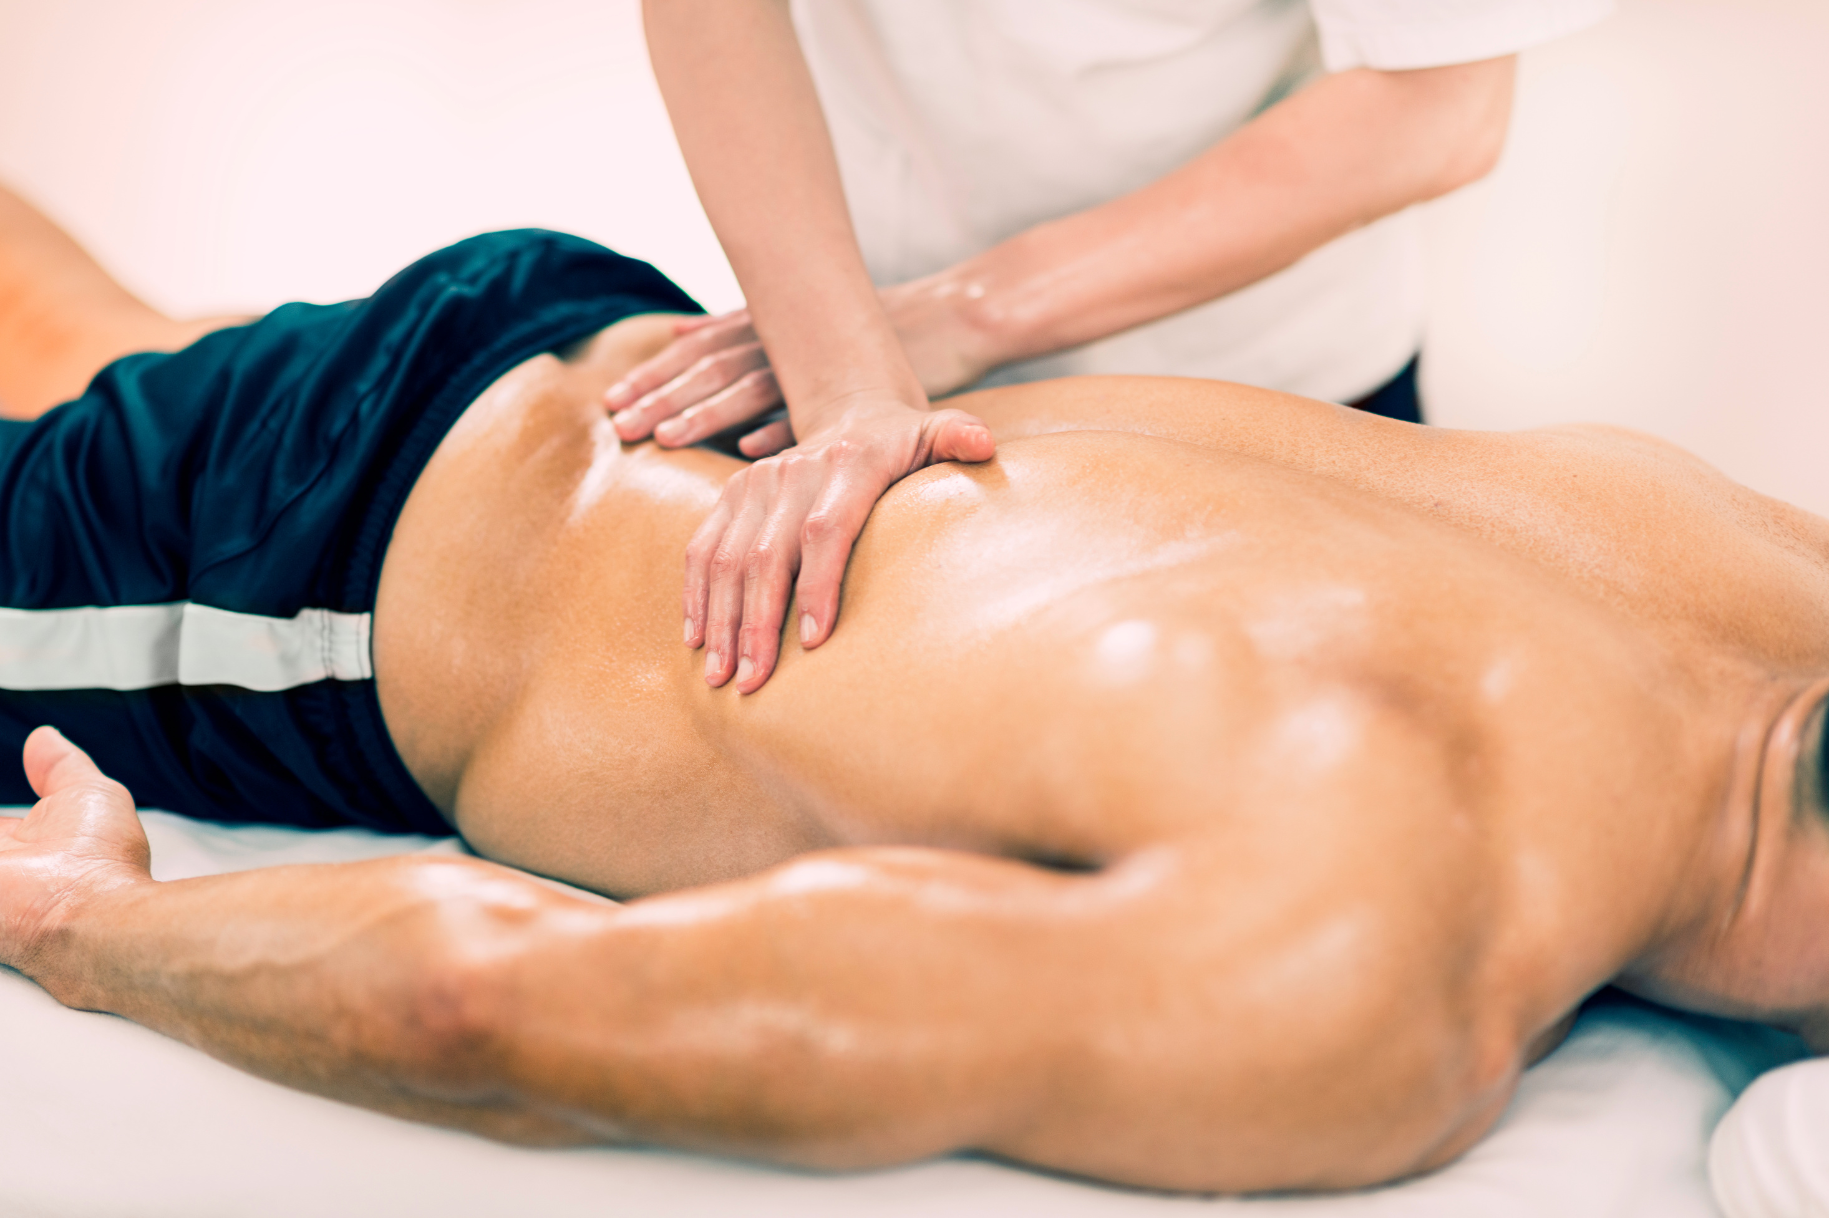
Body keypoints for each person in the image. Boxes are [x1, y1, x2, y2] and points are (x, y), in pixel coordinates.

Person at [4, 192, 1829, 1194]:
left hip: (594, 353)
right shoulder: (1376, 946)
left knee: (100, 342)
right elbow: (486, 997)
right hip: (320, 573)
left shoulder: (1762, 561)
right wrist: (97, 927)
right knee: (105, 384)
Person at [610, 0, 1615, 694]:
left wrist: (954, 318)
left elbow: (1439, 110)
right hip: (873, 357)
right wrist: (843, 373)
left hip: (1273, 387)